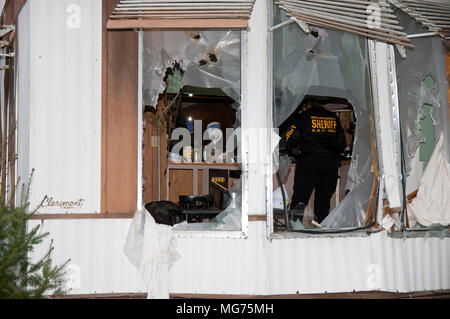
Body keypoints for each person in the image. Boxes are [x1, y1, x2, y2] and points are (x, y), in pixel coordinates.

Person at [285, 98, 346, 225]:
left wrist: (293, 150)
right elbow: (342, 143)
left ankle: (294, 228)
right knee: (323, 203)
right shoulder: (333, 117)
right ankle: (321, 230)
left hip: (309, 162)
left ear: (306, 107)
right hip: (330, 163)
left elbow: (290, 138)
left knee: (300, 200)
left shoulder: (303, 116)